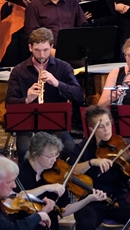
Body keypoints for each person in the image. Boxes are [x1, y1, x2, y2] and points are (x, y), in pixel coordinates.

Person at [71, 106, 130, 230]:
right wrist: (92, 162)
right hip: (92, 200)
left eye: (108, 124)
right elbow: (71, 171)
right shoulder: (83, 148)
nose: (107, 130)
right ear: (91, 129)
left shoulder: (120, 145)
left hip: (119, 199)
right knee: (84, 224)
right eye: (101, 127)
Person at [5, 27, 84, 158]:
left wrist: (57, 83)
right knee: (24, 151)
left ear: (52, 47)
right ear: (30, 47)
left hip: (55, 123)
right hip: (27, 124)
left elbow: (79, 95)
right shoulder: (18, 71)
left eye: (46, 50)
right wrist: (27, 99)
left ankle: (57, 170)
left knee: (70, 148)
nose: (42, 55)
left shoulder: (63, 67)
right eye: (37, 50)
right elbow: (9, 103)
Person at [17, 132, 108, 230]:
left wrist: (88, 199)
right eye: (50, 156)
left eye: (56, 155)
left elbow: (63, 211)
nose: (54, 160)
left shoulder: (56, 176)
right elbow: (19, 196)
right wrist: (46, 188)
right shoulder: (18, 173)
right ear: (35, 154)